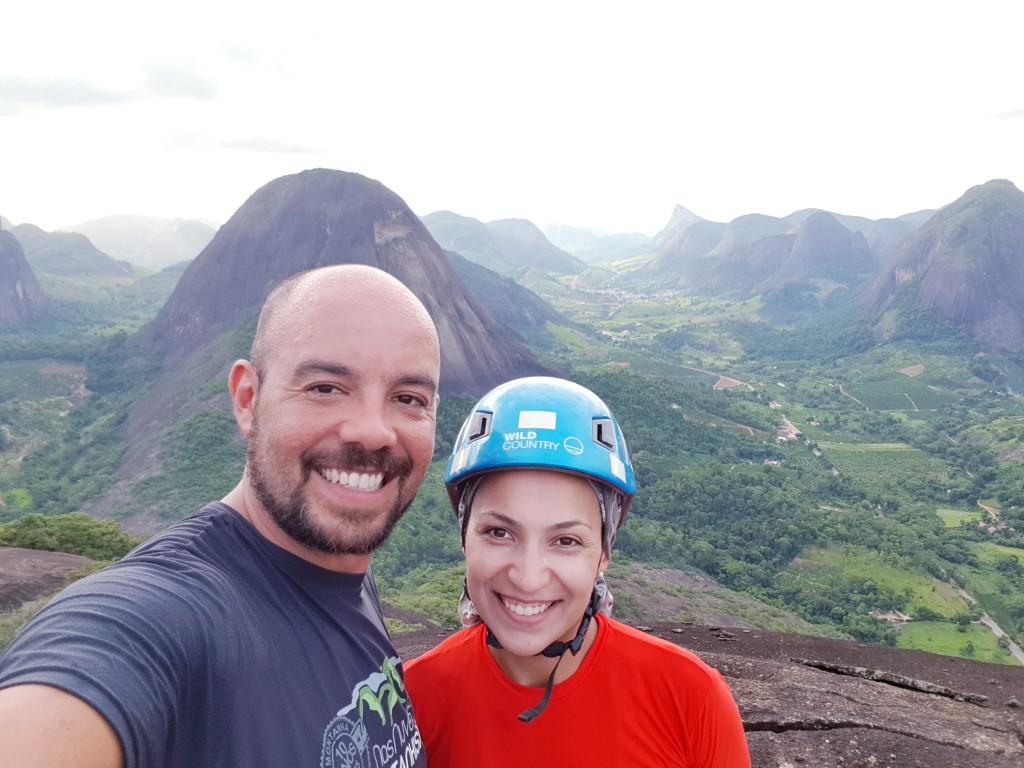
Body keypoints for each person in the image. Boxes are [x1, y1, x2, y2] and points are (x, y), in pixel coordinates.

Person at [0, 264, 437, 768]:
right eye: (325, 387)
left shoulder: (349, 576)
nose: (373, 432)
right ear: (248, 399)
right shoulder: (160, 619)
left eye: (408, 398)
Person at [404, 376, 751, 767]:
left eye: (566, 540)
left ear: (604, 552)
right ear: (465, 538)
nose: (528, 577)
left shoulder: (690, 698)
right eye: (499, 532)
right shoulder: (412, 702)